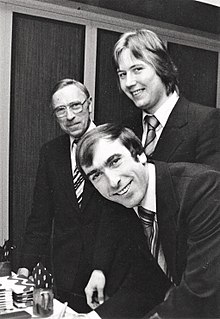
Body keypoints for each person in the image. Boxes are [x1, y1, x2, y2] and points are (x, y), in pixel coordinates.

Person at [17, 79, 170, 317]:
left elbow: (122, 217)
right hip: (67, 272)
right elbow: (40, 216)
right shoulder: (50, 153)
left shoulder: (113, 143)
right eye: (61, 109)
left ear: (89, 104)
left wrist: (100, 267)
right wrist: (25, 266)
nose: (69, 116)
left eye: (76, 105)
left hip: (112, 271)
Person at [76, 123, 220, 319]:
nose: (112, 182)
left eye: (115, 161)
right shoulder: (125, 203)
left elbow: (199, 292)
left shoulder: (201, 189)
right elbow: (145, 282)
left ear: (140, 154)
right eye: (96, 175)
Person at [113, 29, 220, 170]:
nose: (129, 82)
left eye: (137, 69)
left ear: (161, 67)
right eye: (122, 74)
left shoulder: (206, 121)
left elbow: (211, 187)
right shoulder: (125, 128)